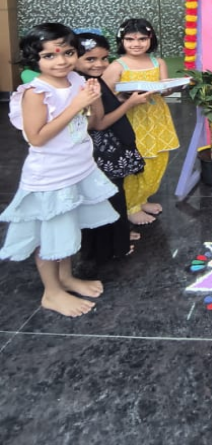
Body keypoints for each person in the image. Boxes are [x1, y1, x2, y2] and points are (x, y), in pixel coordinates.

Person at [0, 23, 118, 317]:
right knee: (50, 235)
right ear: (35, 59)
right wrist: (76, 104)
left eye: (68, 53)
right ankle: (51, 292)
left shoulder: (76, 80)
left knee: (67, 229)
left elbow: (90, 123)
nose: (61, 61)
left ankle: (65, 277)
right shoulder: (36, 93)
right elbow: (38, 137)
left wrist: (92, 99)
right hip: (51, 177)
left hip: (78, 168)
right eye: (49, 56)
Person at [75, 32, 149, 264]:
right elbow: (99, 123)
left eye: (104, 58)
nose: (99, 64)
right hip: (103, 151)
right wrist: (130, 103)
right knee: (111, 195)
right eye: (90, 59)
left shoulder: (89, 80)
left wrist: (121, 99)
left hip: (103, 150)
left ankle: (120, 234)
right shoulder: (88, 85)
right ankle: (117, 245)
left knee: (113, 194)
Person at [102, 18, 179, 226]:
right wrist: (124, 97)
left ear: (150, 39)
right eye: (130, 39)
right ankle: (130, 206)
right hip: (131, 118)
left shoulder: (158, 62)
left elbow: (164, 89)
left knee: (158, 158)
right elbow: (104, 97)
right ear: (121, 40)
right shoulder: (117, 66)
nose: (136, 44)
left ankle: (142, 198)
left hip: (156, 116)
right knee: (137, 161)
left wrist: (171, 87)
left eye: (142, 39)